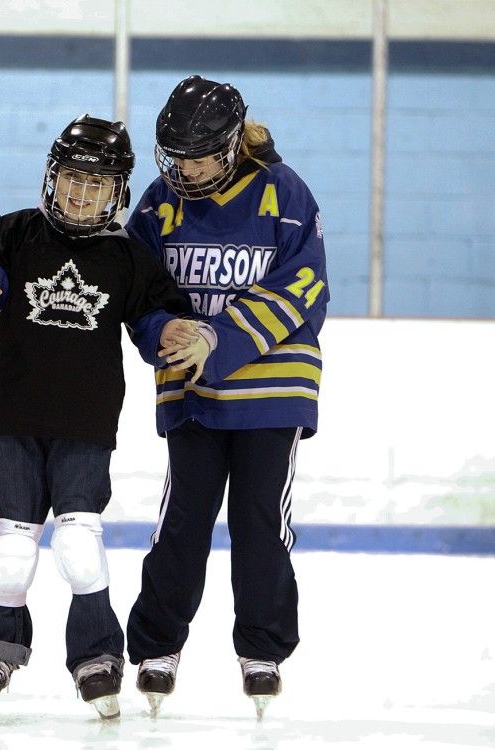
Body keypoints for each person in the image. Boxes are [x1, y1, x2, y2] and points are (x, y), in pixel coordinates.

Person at [0, 115, 202, 719]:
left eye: (98, 184)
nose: (82, 195)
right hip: (13, 417)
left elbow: (153, 318)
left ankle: (97, 654)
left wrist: (173, 329)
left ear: (118, 192)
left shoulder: (128, 257)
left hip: (86, 424)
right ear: (52, 178)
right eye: (73, 179)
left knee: (80, 544)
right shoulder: (20, 232)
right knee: (14, 545)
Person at [124, 75, 329, 719]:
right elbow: (137, 293)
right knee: (183, 521)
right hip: (193, 396)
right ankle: (158, 644)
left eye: (202, 154)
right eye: (177, 155)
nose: (188, 167)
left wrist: (222, 337)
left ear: (234, 141)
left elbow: (305, 289)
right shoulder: (159, 205)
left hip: (272, 394)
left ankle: (261, 647)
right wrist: (164, 328)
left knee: (259, 523)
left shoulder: (285, 193)